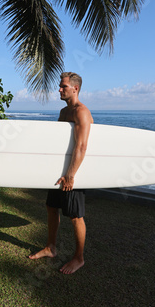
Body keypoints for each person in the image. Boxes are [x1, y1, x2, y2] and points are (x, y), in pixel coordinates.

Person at [29, 72, 93, 274]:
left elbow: (81, 146)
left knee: (75, 215)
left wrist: (71, 175)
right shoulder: (64, 112)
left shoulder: (81, 112)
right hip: (61, 170)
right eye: (60, 85)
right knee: (51, 207)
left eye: (63, 86)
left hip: (75, 171)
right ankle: (51, 247)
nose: (59, 89)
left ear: (75, 88)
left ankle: (79, 258)